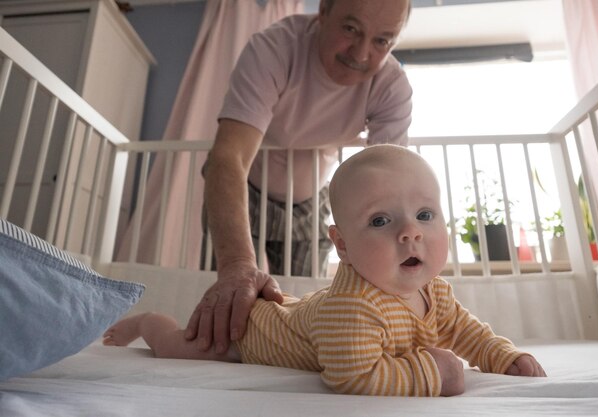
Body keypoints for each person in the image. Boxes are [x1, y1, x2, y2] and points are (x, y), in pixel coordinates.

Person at [104, 145, 546, 397]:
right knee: (181, 347)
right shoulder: (354, 307)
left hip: (300, 317)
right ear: (342, 246)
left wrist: (503, 356)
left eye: (426, 214)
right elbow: (351, 376)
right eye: (380, 221)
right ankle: (148, 322)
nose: (411, 233)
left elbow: (466, 331)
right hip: (252, 334)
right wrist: (433, 372)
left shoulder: (436, 293)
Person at [189, 0, 414, 355]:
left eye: (383, 41)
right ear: (323, 11)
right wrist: (236, 266)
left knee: (303, 299)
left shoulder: (391, 86)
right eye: (350, 29)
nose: (361, 52)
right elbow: (229, 156)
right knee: (231, 292)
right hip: (242, 188)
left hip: (310, 198)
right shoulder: (274, 49)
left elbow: (389, 187)